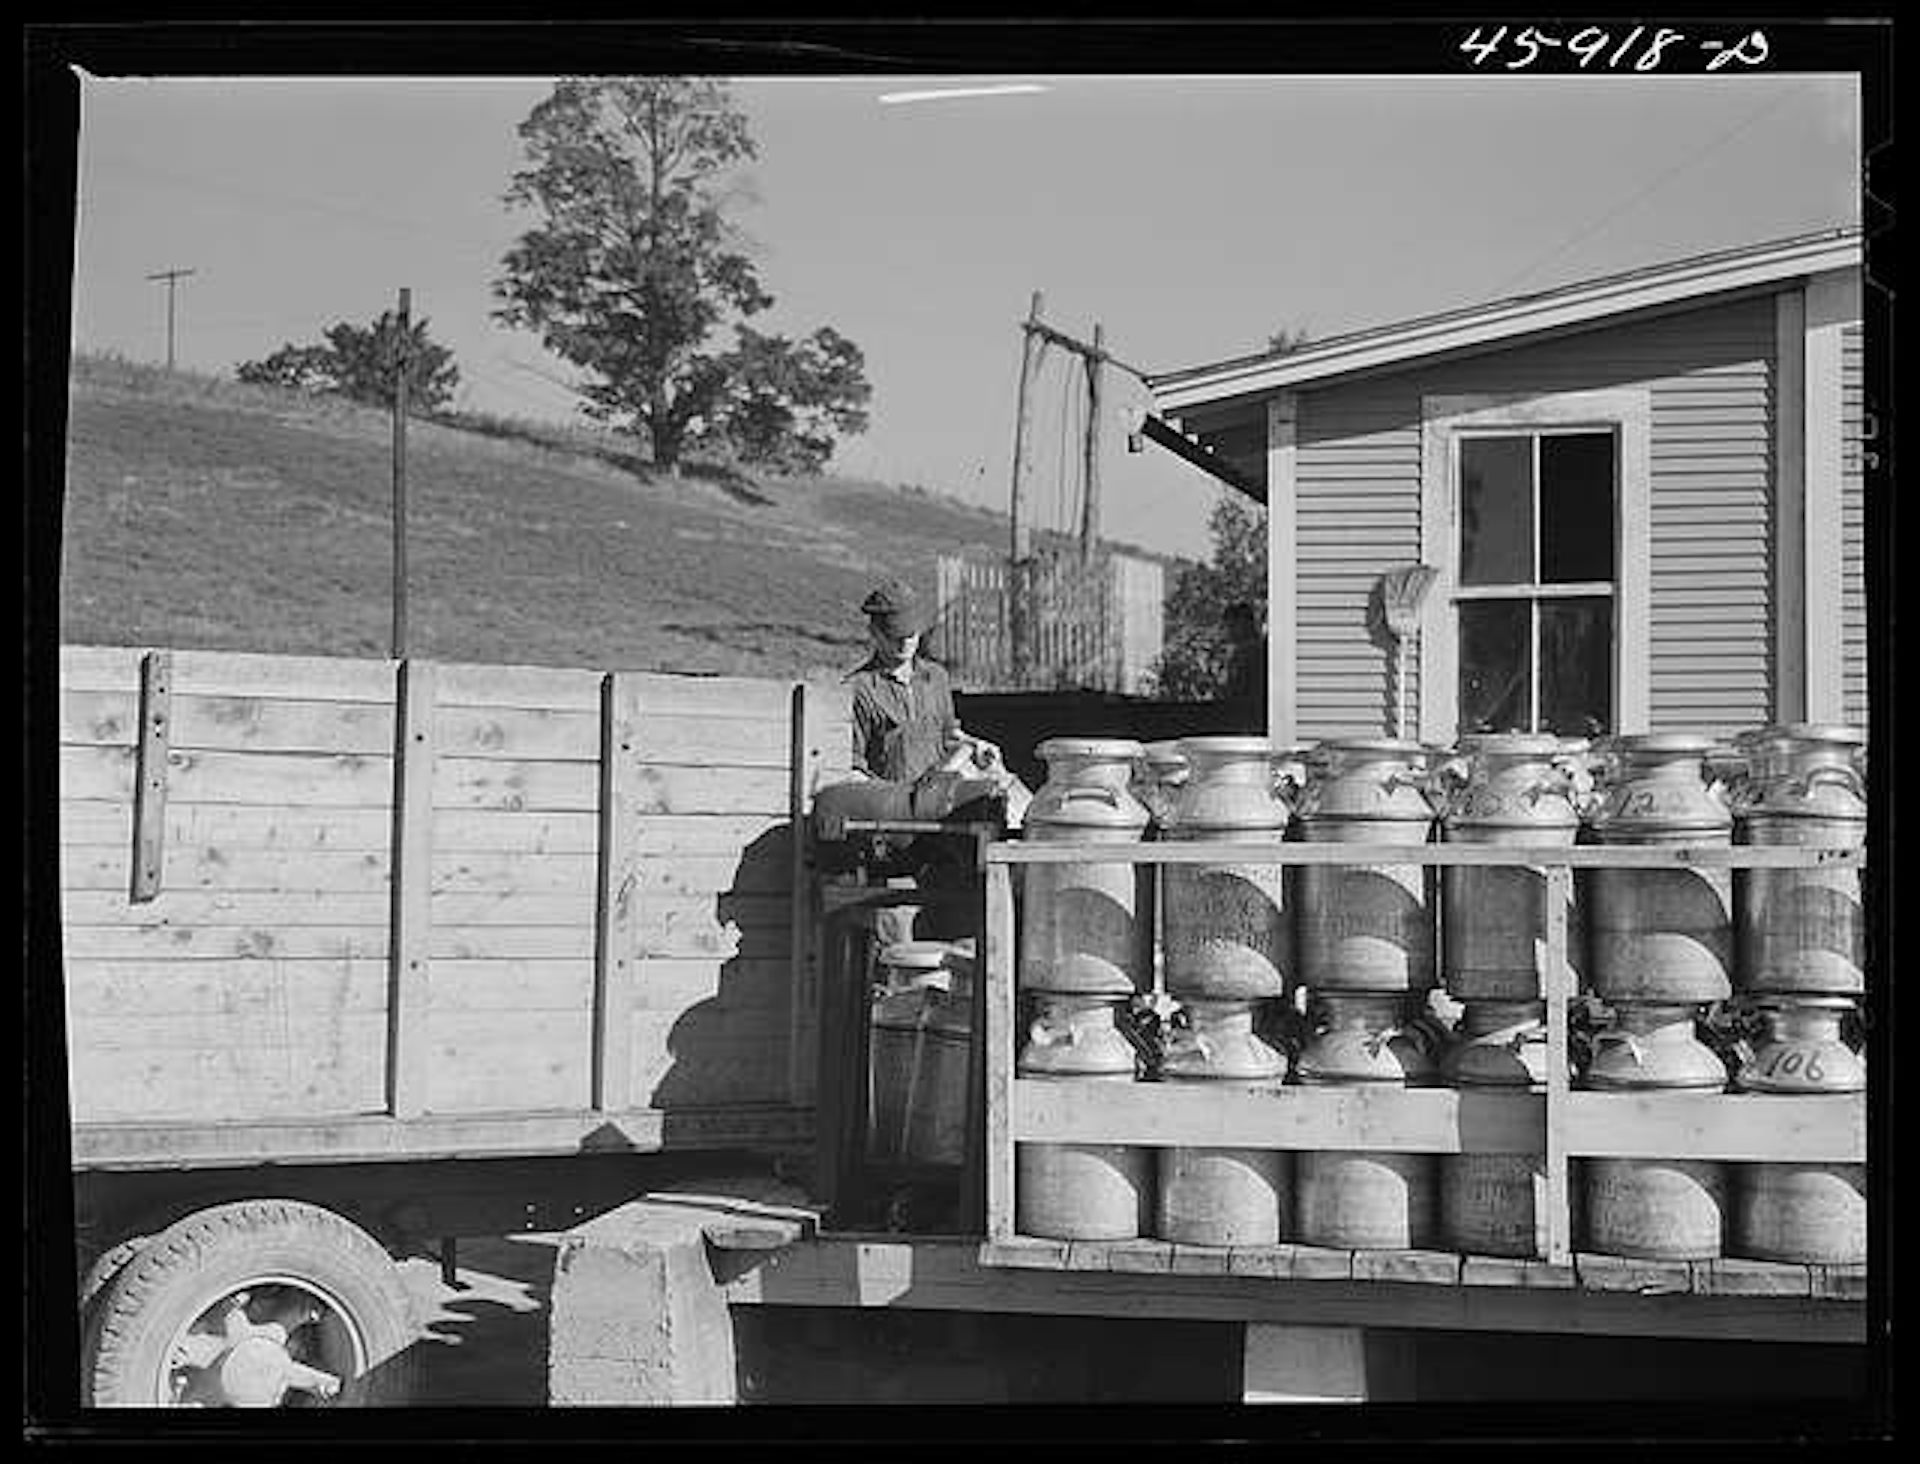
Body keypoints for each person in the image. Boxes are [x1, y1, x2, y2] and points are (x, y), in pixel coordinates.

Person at [840, 577, 1006, 947]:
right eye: (895, 637)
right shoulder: (859, 689)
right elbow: (852, 768)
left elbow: (948, 735)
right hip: (892, 832)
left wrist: (974, 746)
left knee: (955, 926)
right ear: (875, 634)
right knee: (896, 931)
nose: (904, 644)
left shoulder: (936, 679)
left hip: (943, 828)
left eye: (910, 636)